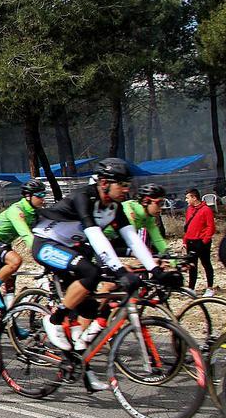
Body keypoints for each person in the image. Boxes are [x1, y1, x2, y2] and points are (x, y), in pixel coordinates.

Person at [31, 159, 181, 388]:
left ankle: (78, 360)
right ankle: (54, 320)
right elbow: (95, 235)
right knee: (90, 273)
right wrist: (120, 269)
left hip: (73, 248)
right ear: (103, 183)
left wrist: (156, 270)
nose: (127, 189)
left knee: (91, 307)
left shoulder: (114, 207)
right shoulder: (84, 198)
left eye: (127, 184)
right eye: (122, 184)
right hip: (46, 244)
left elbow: (132, 238)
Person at [0, 179, 45, 309]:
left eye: (44, 194)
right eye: (39, 195)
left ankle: (10, 323)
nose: (42, 199)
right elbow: (26, 235)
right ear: (28, 196)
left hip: (4, 243)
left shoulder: (34, 212)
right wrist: (41, 255)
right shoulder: (17, 210)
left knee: (10, 289)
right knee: (16, 261)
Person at [184, 188, 216, 296]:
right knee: (192, 265)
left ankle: (210, 288)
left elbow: (211, 227)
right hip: (190, 241)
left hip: (201, 241)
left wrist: (205, 240)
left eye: (188, 197)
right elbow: (187, 226)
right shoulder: (189, 209)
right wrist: (185, 240)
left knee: (206, 264)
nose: (186, 200)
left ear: (194, 197)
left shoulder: (206, 210)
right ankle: (191, 288)